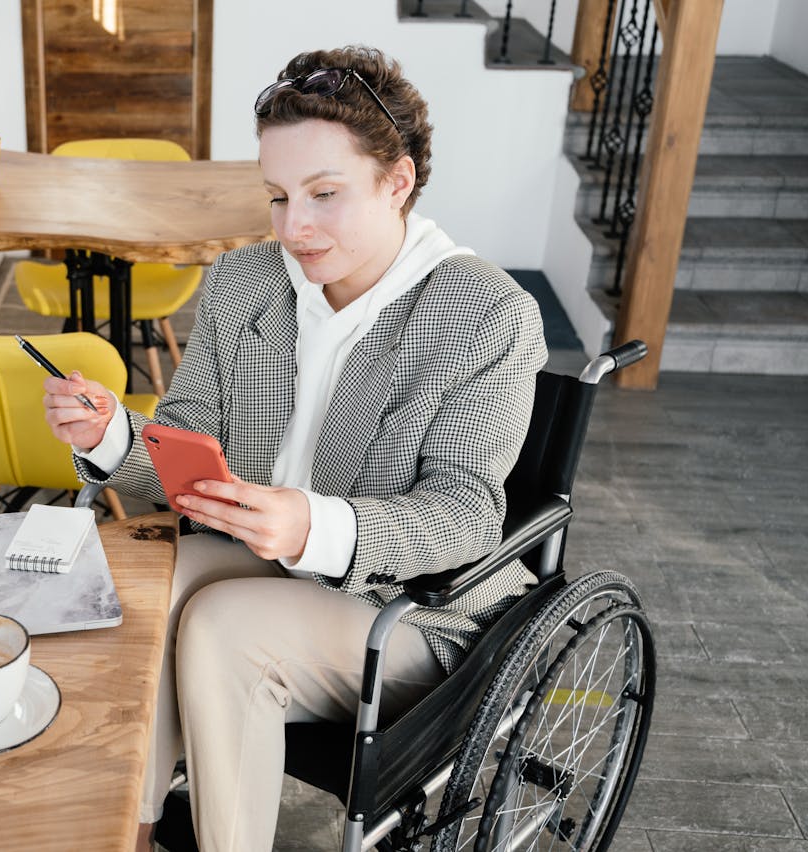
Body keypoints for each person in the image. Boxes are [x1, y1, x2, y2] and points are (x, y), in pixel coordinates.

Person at [41, 44, 547, 852]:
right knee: (136, 588)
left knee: (221, 625)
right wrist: (110, 435)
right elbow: (186, 448)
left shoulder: (484, 314)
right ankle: (126, 830)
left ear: (399, 182)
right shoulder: (247, 282)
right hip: (265, 559)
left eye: (324, 194)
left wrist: (314, 525)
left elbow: (465, 516)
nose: (293, 226)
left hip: (415, 607)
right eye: (278, 196)